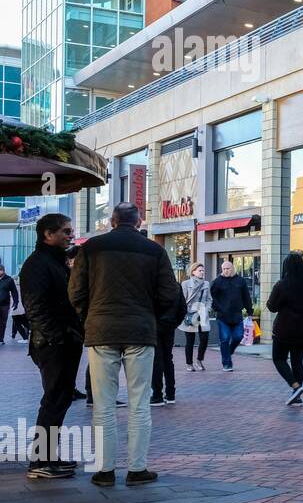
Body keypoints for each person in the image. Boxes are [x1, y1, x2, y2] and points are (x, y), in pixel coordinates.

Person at [69, 203, 181, 488]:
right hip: (140, 332)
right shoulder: (154, 250)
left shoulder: (91, 247)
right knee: (139, 403)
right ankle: (137, 468)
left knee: (103, 405)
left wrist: (88, 317)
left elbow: (75, 292)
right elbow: (170, 293)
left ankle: (105, 470)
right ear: (140, 221)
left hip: (101, 330)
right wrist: (151, 318)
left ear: (111, 221)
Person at [19, 213, 83, 479]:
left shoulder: (55, 262)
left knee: (60, 399)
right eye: (66, 231)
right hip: (52, 344)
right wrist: (58, 337)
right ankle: (40, 461)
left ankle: (47, 457)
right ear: (48, 234)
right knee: (54, 399)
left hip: (61, 341)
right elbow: (36, 307)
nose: (70, 235)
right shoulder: (38, 264)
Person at [266, 253, 303, 406]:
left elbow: (272, 307)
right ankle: (297, 395)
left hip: (285, 330)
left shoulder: (282, 284)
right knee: (297, 361)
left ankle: (295, 386)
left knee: (279, 359)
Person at [210, 260, 253, 372]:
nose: (225, 271)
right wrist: (217, 308)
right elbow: (212, 297)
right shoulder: (217, 281)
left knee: (238, 337)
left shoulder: (240, 281)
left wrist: (250, 312)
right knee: (224, 339)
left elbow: (246, 297)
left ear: (232, 268)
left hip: (237, 315)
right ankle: (227, 363)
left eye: (227, 268)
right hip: (222, 316)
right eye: (223, 269)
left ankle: (229, 351)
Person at [149, 282, 186, 406]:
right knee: (167, 359)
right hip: (169, 326)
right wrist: (174, 324)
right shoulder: (175, 286)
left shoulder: (152, 285)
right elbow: (183, 309)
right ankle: (170, 394)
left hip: (154, 327)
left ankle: (157, 395)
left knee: (157, 360)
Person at [178, 262, 212, 371]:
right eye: (199, 270)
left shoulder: (206, 284)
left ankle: (199, 360)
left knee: (205, 339)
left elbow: (209, 299)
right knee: (190, 341)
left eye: (203, 270)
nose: (202, 272)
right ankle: (189, 363)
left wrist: (206, 309)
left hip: (203, 314)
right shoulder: (186, 284)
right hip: (190, 315)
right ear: (193, 272)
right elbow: (182, 300)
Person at [0, 262, 18, 344]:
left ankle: (1, 339)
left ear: (3, 271)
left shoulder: (9, 280)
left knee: (3, 322)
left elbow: (14, 292)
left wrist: (16, 302)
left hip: (5, 305)